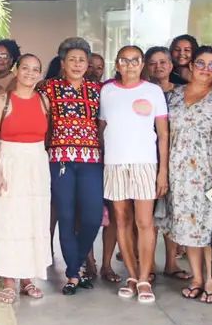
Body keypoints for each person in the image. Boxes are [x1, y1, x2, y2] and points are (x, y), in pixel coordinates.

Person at [165, 46, 212, 304]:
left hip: (210, 172)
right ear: (191, 65)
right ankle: (196, 278)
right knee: (189, 229)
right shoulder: (175, 96)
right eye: (202, 63)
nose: (206, 68)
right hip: (180, 174)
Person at [100, 45, 169, 303]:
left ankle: (144, 278)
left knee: (144, 222)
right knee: (121, 220)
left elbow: (163, 134)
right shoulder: (107, 91)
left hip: (145, 164)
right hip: (115, 164)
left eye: (135, 60)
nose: (129, 65)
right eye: (124, 60)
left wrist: (163, 172)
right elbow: (102, 128)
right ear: (117, 64)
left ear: (142, 65)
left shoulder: (153, 91)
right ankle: (131, 275)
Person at [0, 54, 52, 304]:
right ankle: (9, 281)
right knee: (9, 222)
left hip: (36, 164)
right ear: (16, 69)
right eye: (26, 68)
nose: (30, 74)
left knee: (33, 221)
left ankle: (28, 278)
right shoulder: (2, 100)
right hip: (10, 162)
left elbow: (43, 137)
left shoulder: (44, 101)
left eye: (36, 69)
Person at [41, 37, 103, 295]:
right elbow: (22, 104)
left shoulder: (98, 90)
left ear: (88, 64)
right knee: (65, 216)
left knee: (92, 216)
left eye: (82, 60)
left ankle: (75, 263)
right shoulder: (47, 88)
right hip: (61, 159)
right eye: (72, 60)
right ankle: (72, 274)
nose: (77, 64)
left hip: (91, 161)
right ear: (62, 63)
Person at [145, 46, 188, 277]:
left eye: (163, 62)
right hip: (148, 159)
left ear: (171, 66)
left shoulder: (183, 93)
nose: (158, 67)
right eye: (152, 63)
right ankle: (148, 265)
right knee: (149, 216)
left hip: (178, 161)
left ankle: (172, 263)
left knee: (172, 212)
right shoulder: (143, 91)